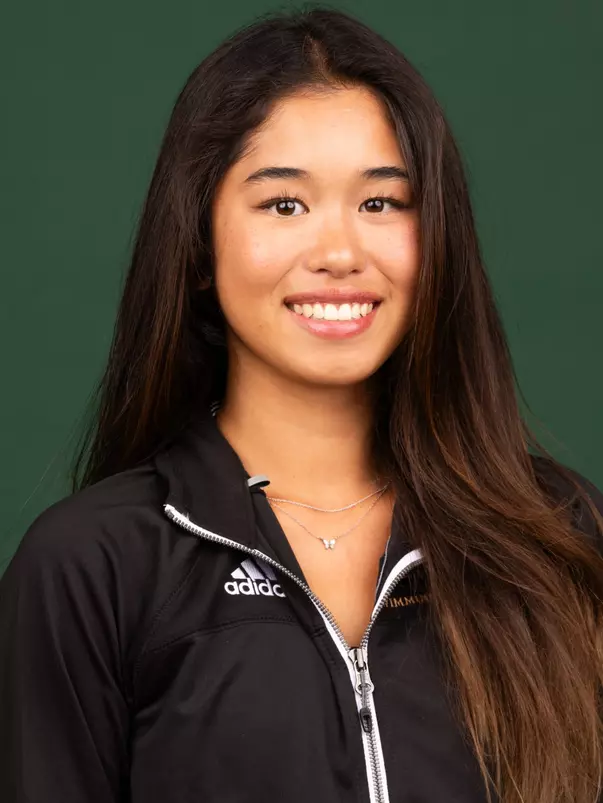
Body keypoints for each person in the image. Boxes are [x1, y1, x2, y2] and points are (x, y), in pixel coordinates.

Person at [1, 6, 602, 803]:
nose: (339, 253)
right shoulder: (90, 566)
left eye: (381, 203)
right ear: (199, 246)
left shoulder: (562, 534)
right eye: (284, 204)